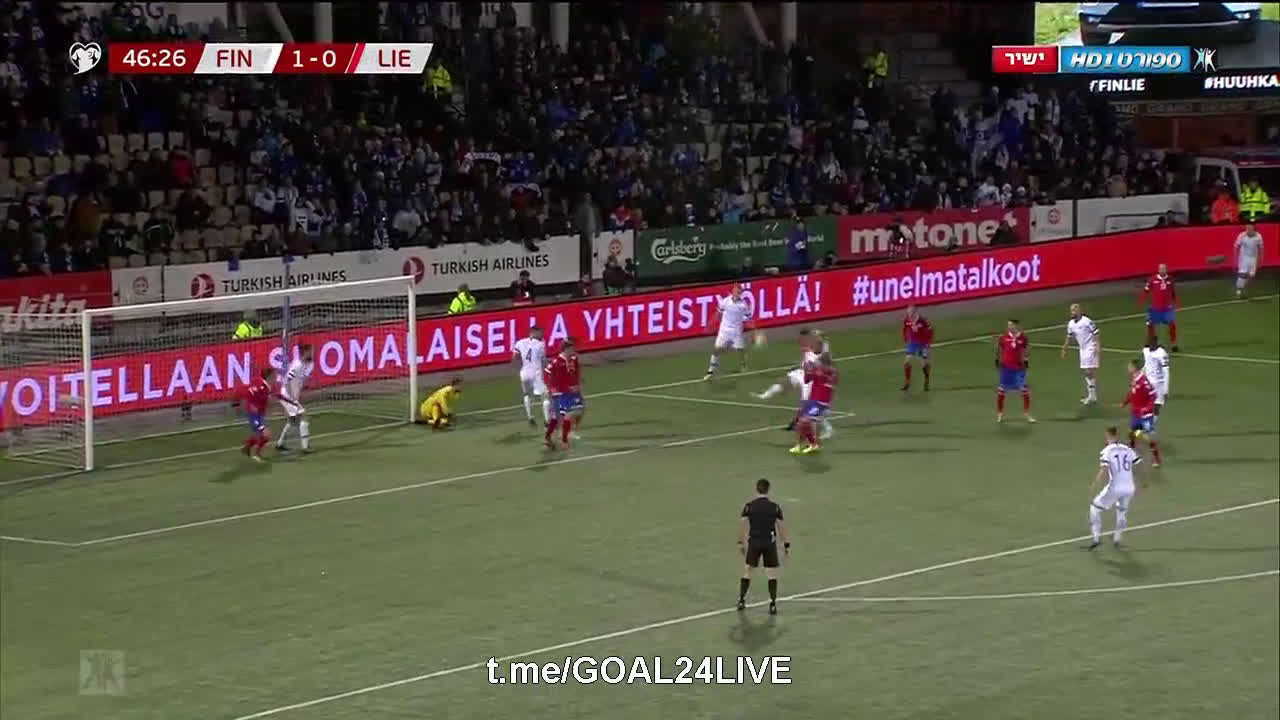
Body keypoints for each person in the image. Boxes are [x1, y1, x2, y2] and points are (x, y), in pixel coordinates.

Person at [755, 328, 834, 440]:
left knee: (808, 406)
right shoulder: (808, 345)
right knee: (785, 381)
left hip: (811, 377)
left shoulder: (822, 348)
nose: (804, 340)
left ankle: (827, 428)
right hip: (802, 372)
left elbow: (823, 359)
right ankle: (765, 395)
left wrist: (817, 364)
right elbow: (806, 359)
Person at [737, 478, 789, 615]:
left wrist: (740, 542)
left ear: (756, 489)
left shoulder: (749, 506)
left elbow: (742, 525)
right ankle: (772, 604)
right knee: (771, 573)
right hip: (769, 543)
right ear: (768, 490)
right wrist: (786, 544)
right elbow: (781, 527)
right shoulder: (775, 507)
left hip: (754, 542)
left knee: (748, 571)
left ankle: (741, 600)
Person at [1087, 426, 1144, 551]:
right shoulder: (1128, 449)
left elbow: (1104, 469)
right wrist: (1140, 482)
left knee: (1094, 508)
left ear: (1108, 436)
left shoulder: (1107, 451)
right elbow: (1138, 465)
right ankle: (1117, 538)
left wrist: (1095, 483)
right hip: (1129, 487)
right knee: (1122, 512)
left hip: (1115, 487)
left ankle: (1096, 538)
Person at [703, 283, 753, 380]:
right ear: (733, 291)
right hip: (724, 331)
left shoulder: (743, 305)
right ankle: (710, 371)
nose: (738, 293)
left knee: (740, 350)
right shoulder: (725, 301)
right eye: (736, 291)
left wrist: (753, 331)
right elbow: (718, 314)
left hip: (736, 332)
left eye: (739, 292)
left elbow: (749, 318)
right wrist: (710, 325)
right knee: (716, 350)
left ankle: (743, 364)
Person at [791, 352, 836, 454]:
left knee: (805, 421)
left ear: (824, 363)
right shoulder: (817, 371)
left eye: (819, 362)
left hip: (821, 403)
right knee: (799, 422)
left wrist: (816, 371)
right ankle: (799, 445)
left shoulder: (832, 372)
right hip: (812, 401)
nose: (817, 363)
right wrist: (807, 370)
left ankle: (813, 444)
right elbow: (806, 380)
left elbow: (831, 382)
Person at [1119, 359, 1162, 467]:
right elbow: (1131, 393)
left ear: (1134, 368)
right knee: (1132, 433)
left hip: (1145, 415)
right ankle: (1132, 453)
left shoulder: (1144, 381)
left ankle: (1156, 458)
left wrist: (1147, 408)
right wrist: (1125, 402)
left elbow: (1153, 395)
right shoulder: (1134, 379)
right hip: (1136, 413)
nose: (1128, 368)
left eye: (1130, 366)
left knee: (1148, 437)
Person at [544, 338, 584, 450]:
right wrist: (550, 389)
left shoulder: (574, 359)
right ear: (566, 349)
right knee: (558, 417)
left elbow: (576, 372)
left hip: (573, 392)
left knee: (578, 411)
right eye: (571, 348)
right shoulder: (556, 362)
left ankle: (564, 435)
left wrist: (577, 385)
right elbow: (547, 374)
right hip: (560, 392)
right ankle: (559, 439)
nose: (573, 350)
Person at [276, 343, 314, 453]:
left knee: (293, 421)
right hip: (287, 394)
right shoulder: (297, 365)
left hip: (289, 394)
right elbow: (287, 380)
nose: (312, 353)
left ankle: (280, 444)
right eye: (310, 351)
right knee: (304, 416)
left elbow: (299, 381)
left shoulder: (306, 365)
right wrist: (292, 396)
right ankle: (305, 447)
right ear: (305, 352)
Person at [1061, 303, 1101, 405]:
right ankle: (1092, 395)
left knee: (1088, 371)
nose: (1072, 312)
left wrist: (1097, 346)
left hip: (1090, 347)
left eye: (1074, 310)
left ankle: (1092, 396)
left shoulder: (1087, 321)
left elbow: (1096, 333)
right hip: (1082, 349)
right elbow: (1069, 337)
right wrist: (1064, 349)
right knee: (1087, 371)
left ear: (1079, 311)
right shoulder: (1071, 324)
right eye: (1071, 310)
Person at [996, 318, 1034, 423]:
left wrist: (1026, 360)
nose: (1009, 327)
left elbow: (1026, 350)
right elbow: (999, 348)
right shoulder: (1004, 337)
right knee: (1001, 391)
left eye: (1011, 325)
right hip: (1006, 368)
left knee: (1024, 391)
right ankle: (1000, 414)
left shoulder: (1023, 338)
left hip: (1018, 368)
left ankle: (1027, 414)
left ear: (1016, 326)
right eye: (1008, 325)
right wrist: (997, 360)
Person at [512, 326, 549, 426]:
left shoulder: (519, 342)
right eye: (540, 333)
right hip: (536, 373)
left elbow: (515, 358)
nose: (541, 335)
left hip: (524, 372)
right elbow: (543, 360)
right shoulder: (541, 344)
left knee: (527, 394)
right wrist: (548, 367)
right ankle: (547, 421)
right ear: (533, 332)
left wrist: (519, 369)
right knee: (545, 396)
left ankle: (530, 416)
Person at [241, 368, 278, 462]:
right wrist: (251, 406)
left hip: (260, 415)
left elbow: (267, 399)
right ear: (269, 376)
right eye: (274, 375)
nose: (276, 377)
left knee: (262, 435)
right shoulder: (260, 386)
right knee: (266, 434)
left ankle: (247, 446)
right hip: (254, 415)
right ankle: (256, 455)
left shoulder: (270, 387)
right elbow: (248, 395)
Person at [1139, 264, 1178, 352]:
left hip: (1167, 308)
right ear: (1158, 270)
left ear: (1166, 270)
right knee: (1150, 325)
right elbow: (1146, 291)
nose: (1162, 270)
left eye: (1164, 269)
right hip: (1155, 308)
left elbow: (1173, 292)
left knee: (1172, 324)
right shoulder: (1152, 279)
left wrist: (1176, 302)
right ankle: (1150, 342)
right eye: (1161, 269)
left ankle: (1173, 344)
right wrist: (1141, 301)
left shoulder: (1170, 280)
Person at [901, 304, 933, 392]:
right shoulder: (907, 320)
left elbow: (930, 329)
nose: (909, 313)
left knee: (924, 363)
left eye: (911, 312)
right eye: (908, 311)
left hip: (922, 344)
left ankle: (926, 379)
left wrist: (928, 342)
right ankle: (907, 381)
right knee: (907, 361)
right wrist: (905, 338)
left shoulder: (922, 320)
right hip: (913, 343)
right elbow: (904, 329)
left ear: (915, 312)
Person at [1142, 337, 1171, 416]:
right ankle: (1147, 422)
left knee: (1156, 408)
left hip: (1159, 385)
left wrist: (1165, 389)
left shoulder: (1161, 353)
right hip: (1148, 383)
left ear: (1156, 343)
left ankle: (1151, 422)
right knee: (1145, 407)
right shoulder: (1146, 351)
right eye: (1149, 343)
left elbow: (1166, 372)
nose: (1150, 346)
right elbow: (1146, 365)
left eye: (1152, 344)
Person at [1234, 222, 1264, 299]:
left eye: (1250, 228)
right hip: (1244, 257)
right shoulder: (1242, 235)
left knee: (1251, 275)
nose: (1248, 229)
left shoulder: (1258, 236)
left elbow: (1261, 248)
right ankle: (1238, 290)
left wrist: (1261, 258)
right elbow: (1236, 246)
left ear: (1253, 228)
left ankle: (1241, 286)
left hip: (1254, 258)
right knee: (1242, 273)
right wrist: (1235, 257)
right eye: (1247, 228)